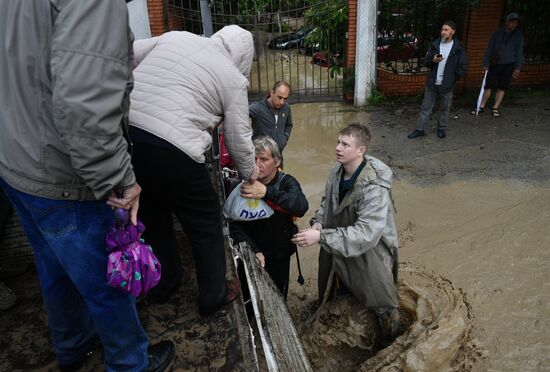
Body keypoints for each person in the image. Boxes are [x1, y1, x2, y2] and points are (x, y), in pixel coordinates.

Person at [0, 2, 174, 371]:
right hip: (63, 176)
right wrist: (119, 180)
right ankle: (130, 364)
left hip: (16, 160)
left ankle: (74, 348)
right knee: (107, 282)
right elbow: (86, 107)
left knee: (53, 267)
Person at [128, 26, 259, 315]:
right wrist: (251, 174)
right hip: (174, 149)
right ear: (243, 56)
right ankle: (213, 296)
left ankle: (166, 281)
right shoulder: (233, 79)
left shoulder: (176, 36)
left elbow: (128, 52)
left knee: (153, 212)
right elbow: (238, 140)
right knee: (206, 221)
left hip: (127, 138)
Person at [292, 123, 401, 344]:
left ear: (360, 151)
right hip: (337, 242)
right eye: (338, 142)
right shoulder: (336, 170)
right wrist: (319, 223)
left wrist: (321, 238)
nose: (338, 148)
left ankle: (391, 340)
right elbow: (327, 202)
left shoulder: (374, 187)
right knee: (333, 288)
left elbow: (366, 234)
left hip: (369, 251)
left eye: (345, 144)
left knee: (383, 302)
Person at [229, 136, 308, 299]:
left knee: (278, 295)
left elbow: (301, 206)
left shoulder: (286, 183)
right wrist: (254, 250)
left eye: (264, 159)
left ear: (277, 162)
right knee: (250, 296)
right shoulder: (241, 185)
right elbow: (234, 224)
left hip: (280, 256)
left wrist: (266, 192)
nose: (257, 164)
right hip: (252, 251)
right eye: (254, 159)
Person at [408, 21, 467, 139]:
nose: (443, 32)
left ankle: (441, 128)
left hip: (447, 84)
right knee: (426, 107)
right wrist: (432, 61)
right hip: (432, 83)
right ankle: (420, 129)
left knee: (445, 108)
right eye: (442, 30)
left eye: (446, 30)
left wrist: (453, 78)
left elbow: (463, 66)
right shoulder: (434, 44)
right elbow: (426, 61)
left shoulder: (458, 47)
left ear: (453, 32)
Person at [472, 12, 524, 118]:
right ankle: (481, 106)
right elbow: (489, 49)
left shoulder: (518, 35)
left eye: (516, 22)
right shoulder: (497, 33)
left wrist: (518, 67)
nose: (514, 24)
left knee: (502, 86)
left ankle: (495, 107)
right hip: (495, 63)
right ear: (506, 22)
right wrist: (485, 63)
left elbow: (519, 52)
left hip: (509, 64)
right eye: (512, 22)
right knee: (488, 85)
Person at [249, 81, 293, 153]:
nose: (282, 102)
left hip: (278, 155)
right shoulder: (257, 108)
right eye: (279, 97)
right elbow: (239, 116)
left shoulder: (286, 108)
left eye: (285, 99)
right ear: (272, 92)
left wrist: (284, 139)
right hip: (261, 155)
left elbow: (289, 125)